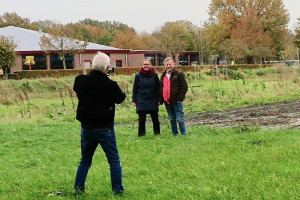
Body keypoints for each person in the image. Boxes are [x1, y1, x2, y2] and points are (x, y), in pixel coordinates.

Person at [73, 52, 126, 195]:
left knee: (85, 160)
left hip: (87, 127)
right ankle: (118, 190)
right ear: (107, 67)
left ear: (92, 64)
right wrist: (108, 80)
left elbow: (78, 89)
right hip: (105, 128)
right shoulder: (111, 84)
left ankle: (78, 189)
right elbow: (121, 98)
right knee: (113, 160)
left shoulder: (80, 80)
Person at [160, 57, 188, 135]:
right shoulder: (163, 75)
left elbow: (184, 87)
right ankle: (175, 134)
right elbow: (161, 87)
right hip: (167, 101)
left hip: (176, 101)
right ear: (165, 65)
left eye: (170, 64)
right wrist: (161, 99)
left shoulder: (179, 74)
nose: (169, 66)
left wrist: (180, 98)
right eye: (167, 64)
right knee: (172, 119)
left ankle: (183, 134)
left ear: (174, 64)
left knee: (180, 119)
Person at [132, 59, 160, 136]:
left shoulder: (155, 75)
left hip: (153, 99)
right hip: (142, 99)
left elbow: (158, 88)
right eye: (145, 64)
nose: (146, 66)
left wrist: (159, 99)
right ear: (142, 65)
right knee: (141, 119)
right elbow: (135, 89)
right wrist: (134, 100)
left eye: (147, 64)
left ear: (150, 65)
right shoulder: (138, 76)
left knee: (155, 119)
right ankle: (141, 134)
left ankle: (157, 133)